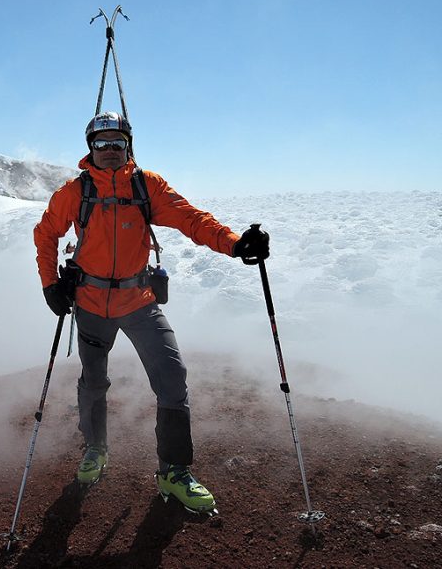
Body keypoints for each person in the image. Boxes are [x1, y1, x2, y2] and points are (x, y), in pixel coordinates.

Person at [32, 111, 269, 514]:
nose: (109, 151)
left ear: (129, 146)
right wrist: (50, 284)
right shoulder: (75, 191)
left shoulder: (147, 187)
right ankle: (95, 447)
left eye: (117, 143)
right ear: (90, 149)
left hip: (139, 301)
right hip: (90, 303)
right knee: (93, 381)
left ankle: (174, 471)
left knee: (172, 376)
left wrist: (233, 244)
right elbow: (46, 233)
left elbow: (192, 218)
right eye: (101, 144)